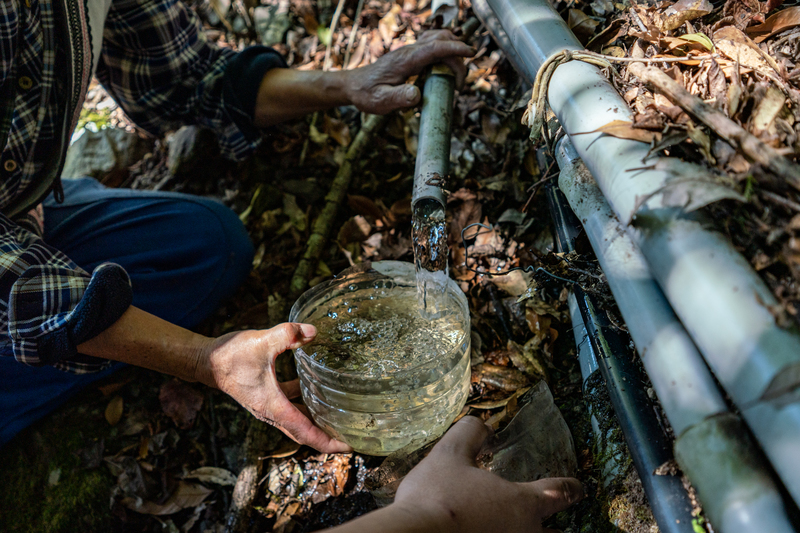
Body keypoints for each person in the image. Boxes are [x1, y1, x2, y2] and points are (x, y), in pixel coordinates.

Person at [1, 1, 584, 529]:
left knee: (213, 244)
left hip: (25, 202)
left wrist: (349, 84)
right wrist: (207, 358)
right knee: (52, 322)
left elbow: (182, 76)